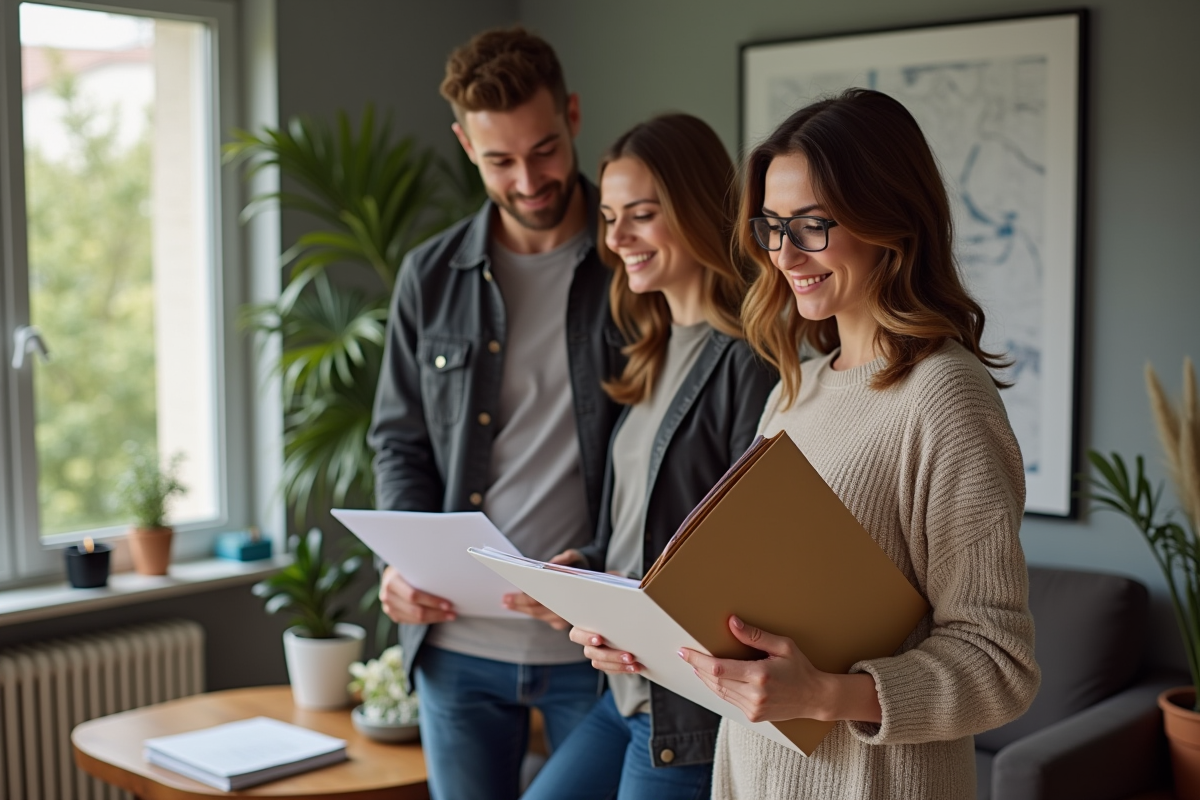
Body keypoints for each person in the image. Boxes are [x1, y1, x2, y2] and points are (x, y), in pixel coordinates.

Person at [618, 89, 1039, 798]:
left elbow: (1001, 666)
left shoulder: (944, 397)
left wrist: (828, 696)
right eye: (772, 227)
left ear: (891, 221)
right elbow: (755, 631)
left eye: (814, 226)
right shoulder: (794, 391)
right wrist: (646, 641)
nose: (785, 255)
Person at [366, 27, 625, 800]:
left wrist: (602, 563)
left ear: (573, 114)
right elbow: (398, 442)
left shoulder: (633, 266)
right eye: (499, 161)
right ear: (464, 145)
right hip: (456, 648)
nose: (529, 179)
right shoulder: (431, 275)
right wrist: (401, 563)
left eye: (544, 150)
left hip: (591, 645)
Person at [511, 114, 777, 800]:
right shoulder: (647, 352)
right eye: (608, 216)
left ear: (695, 211)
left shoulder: (750, 363)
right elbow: (642, 529)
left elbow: (751, 561)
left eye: (641, 215)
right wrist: (585, 574)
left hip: (685, 709)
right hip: (624, 693)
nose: (616, 238)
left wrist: (631, 613)